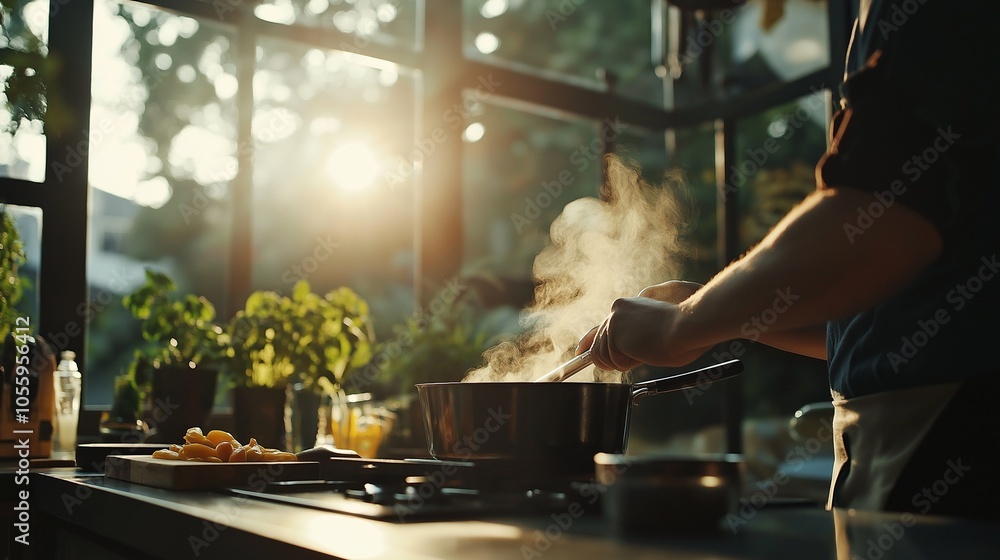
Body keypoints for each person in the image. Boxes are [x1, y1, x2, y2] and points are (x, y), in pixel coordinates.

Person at [578, 0, 1000, 518]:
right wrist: (704, 309)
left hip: (954, 438)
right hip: (906, 444)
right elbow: (865, 316)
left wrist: (681, 328)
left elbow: (880, 225)